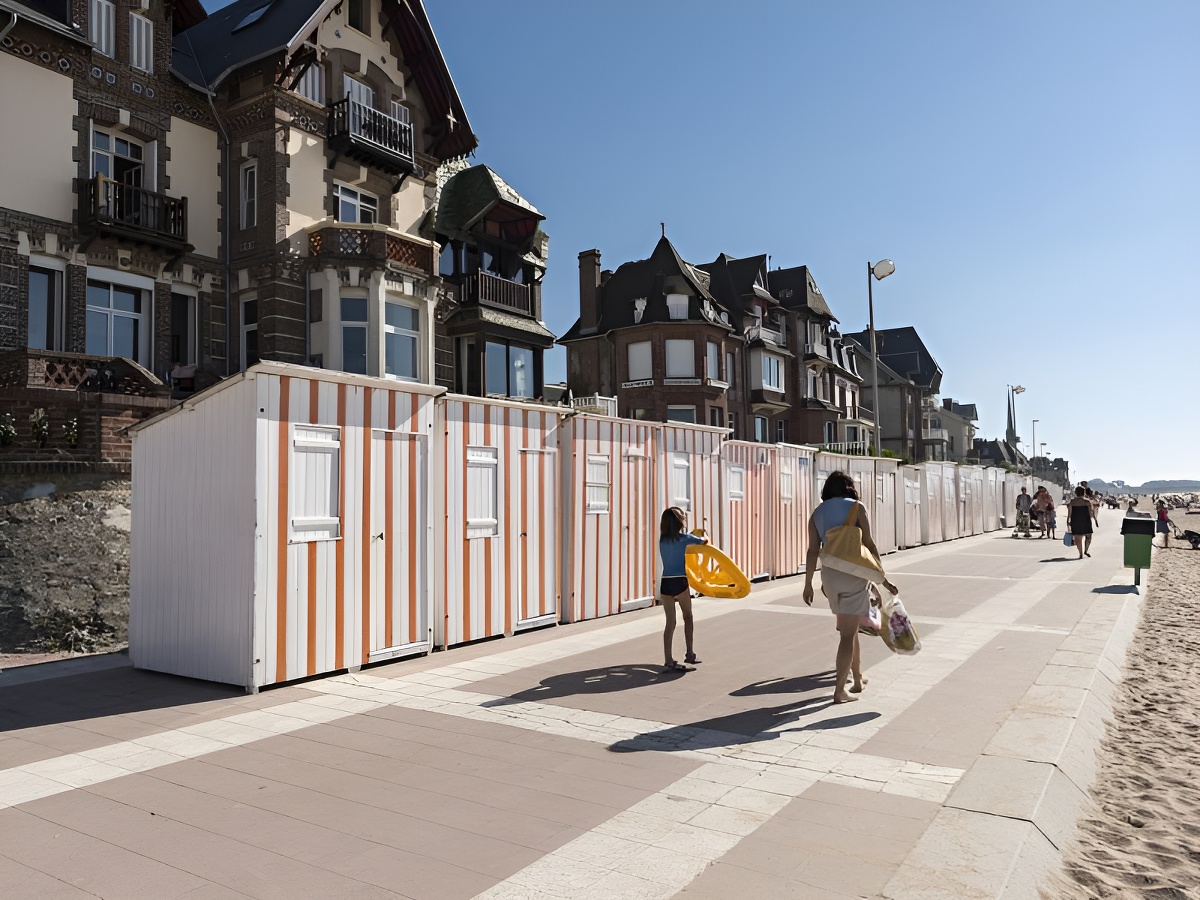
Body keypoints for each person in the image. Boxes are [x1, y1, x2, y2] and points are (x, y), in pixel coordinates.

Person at [802, 471, 898, 704]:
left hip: (830, 576)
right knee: (847, 634)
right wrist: (882, 579)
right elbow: (868, 545)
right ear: (848, 487)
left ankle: (856, 678)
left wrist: (808, 585)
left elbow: (813, 550)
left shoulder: (817, 513)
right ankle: (839, 691)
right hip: (854, 574)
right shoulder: (857, 507)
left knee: (850, 628)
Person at [658, 507, 706, 672]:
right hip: (679, 581)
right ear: (679, 523)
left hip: (665, 582)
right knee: (688, 616)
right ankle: (690, 653)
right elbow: (703, 541)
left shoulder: (662, 540)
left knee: (670, 623)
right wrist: (702, 533)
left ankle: (668, 659)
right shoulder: (685, 538)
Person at [1067, 486, 1097, 558]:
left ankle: (1080, 553)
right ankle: (1086, 550)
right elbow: (1091, 512)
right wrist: (1095, 520)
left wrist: (1068, 521)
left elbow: (1069, 513)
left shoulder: (1072, 502)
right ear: (1084, 493)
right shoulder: (1087, 501)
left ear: (1076, 493)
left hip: (1075, 520)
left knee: (1078, 537)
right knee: (1088, 536)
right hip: (1085, 520)